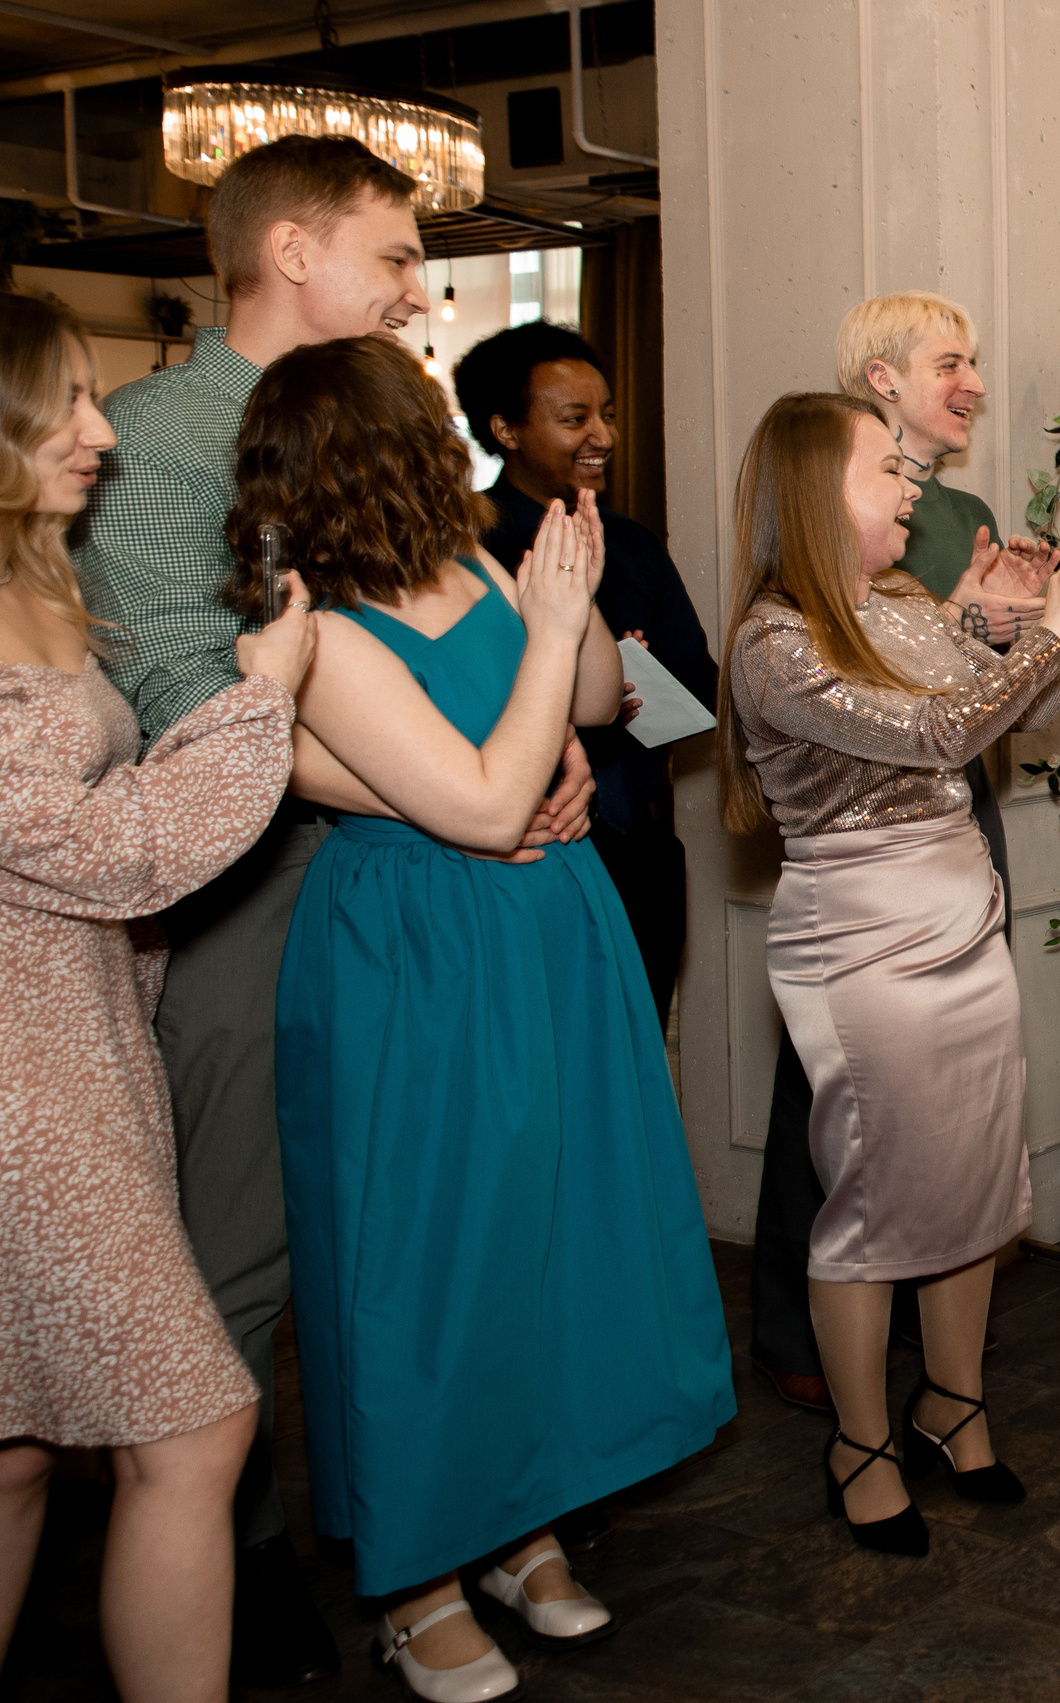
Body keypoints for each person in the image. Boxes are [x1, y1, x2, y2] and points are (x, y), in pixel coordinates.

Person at [70, 137, 591, 1689]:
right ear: (292, 248)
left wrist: (540, 747)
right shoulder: (165, 434)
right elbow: (184, 691)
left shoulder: (381, 417)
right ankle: (235, 1557)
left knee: (453, 1219)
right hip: (254, 885)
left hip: (440, 878)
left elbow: (475, 624)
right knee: (255, 1251)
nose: (413, 287)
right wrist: (456, 788)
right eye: (392, 254)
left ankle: (468, 1511)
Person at [237, 335, 734, 1699]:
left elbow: (584, 710)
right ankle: (415, 1575)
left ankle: (519, 1523)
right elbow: (476, 801)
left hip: (545, 932)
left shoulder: (471, 567)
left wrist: (565, 620)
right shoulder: (318, 625)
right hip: (416, 952)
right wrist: (557, 657)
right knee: (425, 1257)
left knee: (546, 1235)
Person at [718, 392, 1060, 1554]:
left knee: (974, 1186)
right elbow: (940, 735)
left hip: (961, 928)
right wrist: (1043, 629)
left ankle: (953, 1404)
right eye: (887, 470)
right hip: (863, 942)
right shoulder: (773, 643)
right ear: (813, 493)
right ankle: (862, 1439)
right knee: (877, 1195)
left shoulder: (896, 604)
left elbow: (1011, 706)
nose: (911, 488)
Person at [0, 292, 314, 1703]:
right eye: (62, 403)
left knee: (14, 1453)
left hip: (86, 1040)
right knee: (196, 1424)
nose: (95, 431)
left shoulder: (40, 579)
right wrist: (267, 695)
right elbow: (102, 844)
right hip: (22, 1083)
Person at [749, 292, 1053, 1412]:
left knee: (962, 1125)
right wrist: (1010, 641)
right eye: (950, 360)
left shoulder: (950, 511)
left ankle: (948, 1387)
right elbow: (917, 708)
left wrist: (999, 625)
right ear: (879, 381)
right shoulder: (794, 586)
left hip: (948, 832)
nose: (970, 380)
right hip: (860, 875)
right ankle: (822, 1360)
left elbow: (951, 674)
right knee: (845, 1119)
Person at [457, 320, 717, 1026]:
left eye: (606, 414)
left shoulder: (630, 544)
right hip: (534, 850)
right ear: (505, 430)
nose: (601, 435)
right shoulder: (469, 548)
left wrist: (620, 681)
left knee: (639, 1056)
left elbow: (696, 682)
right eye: (575, 418)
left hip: (644, 856)